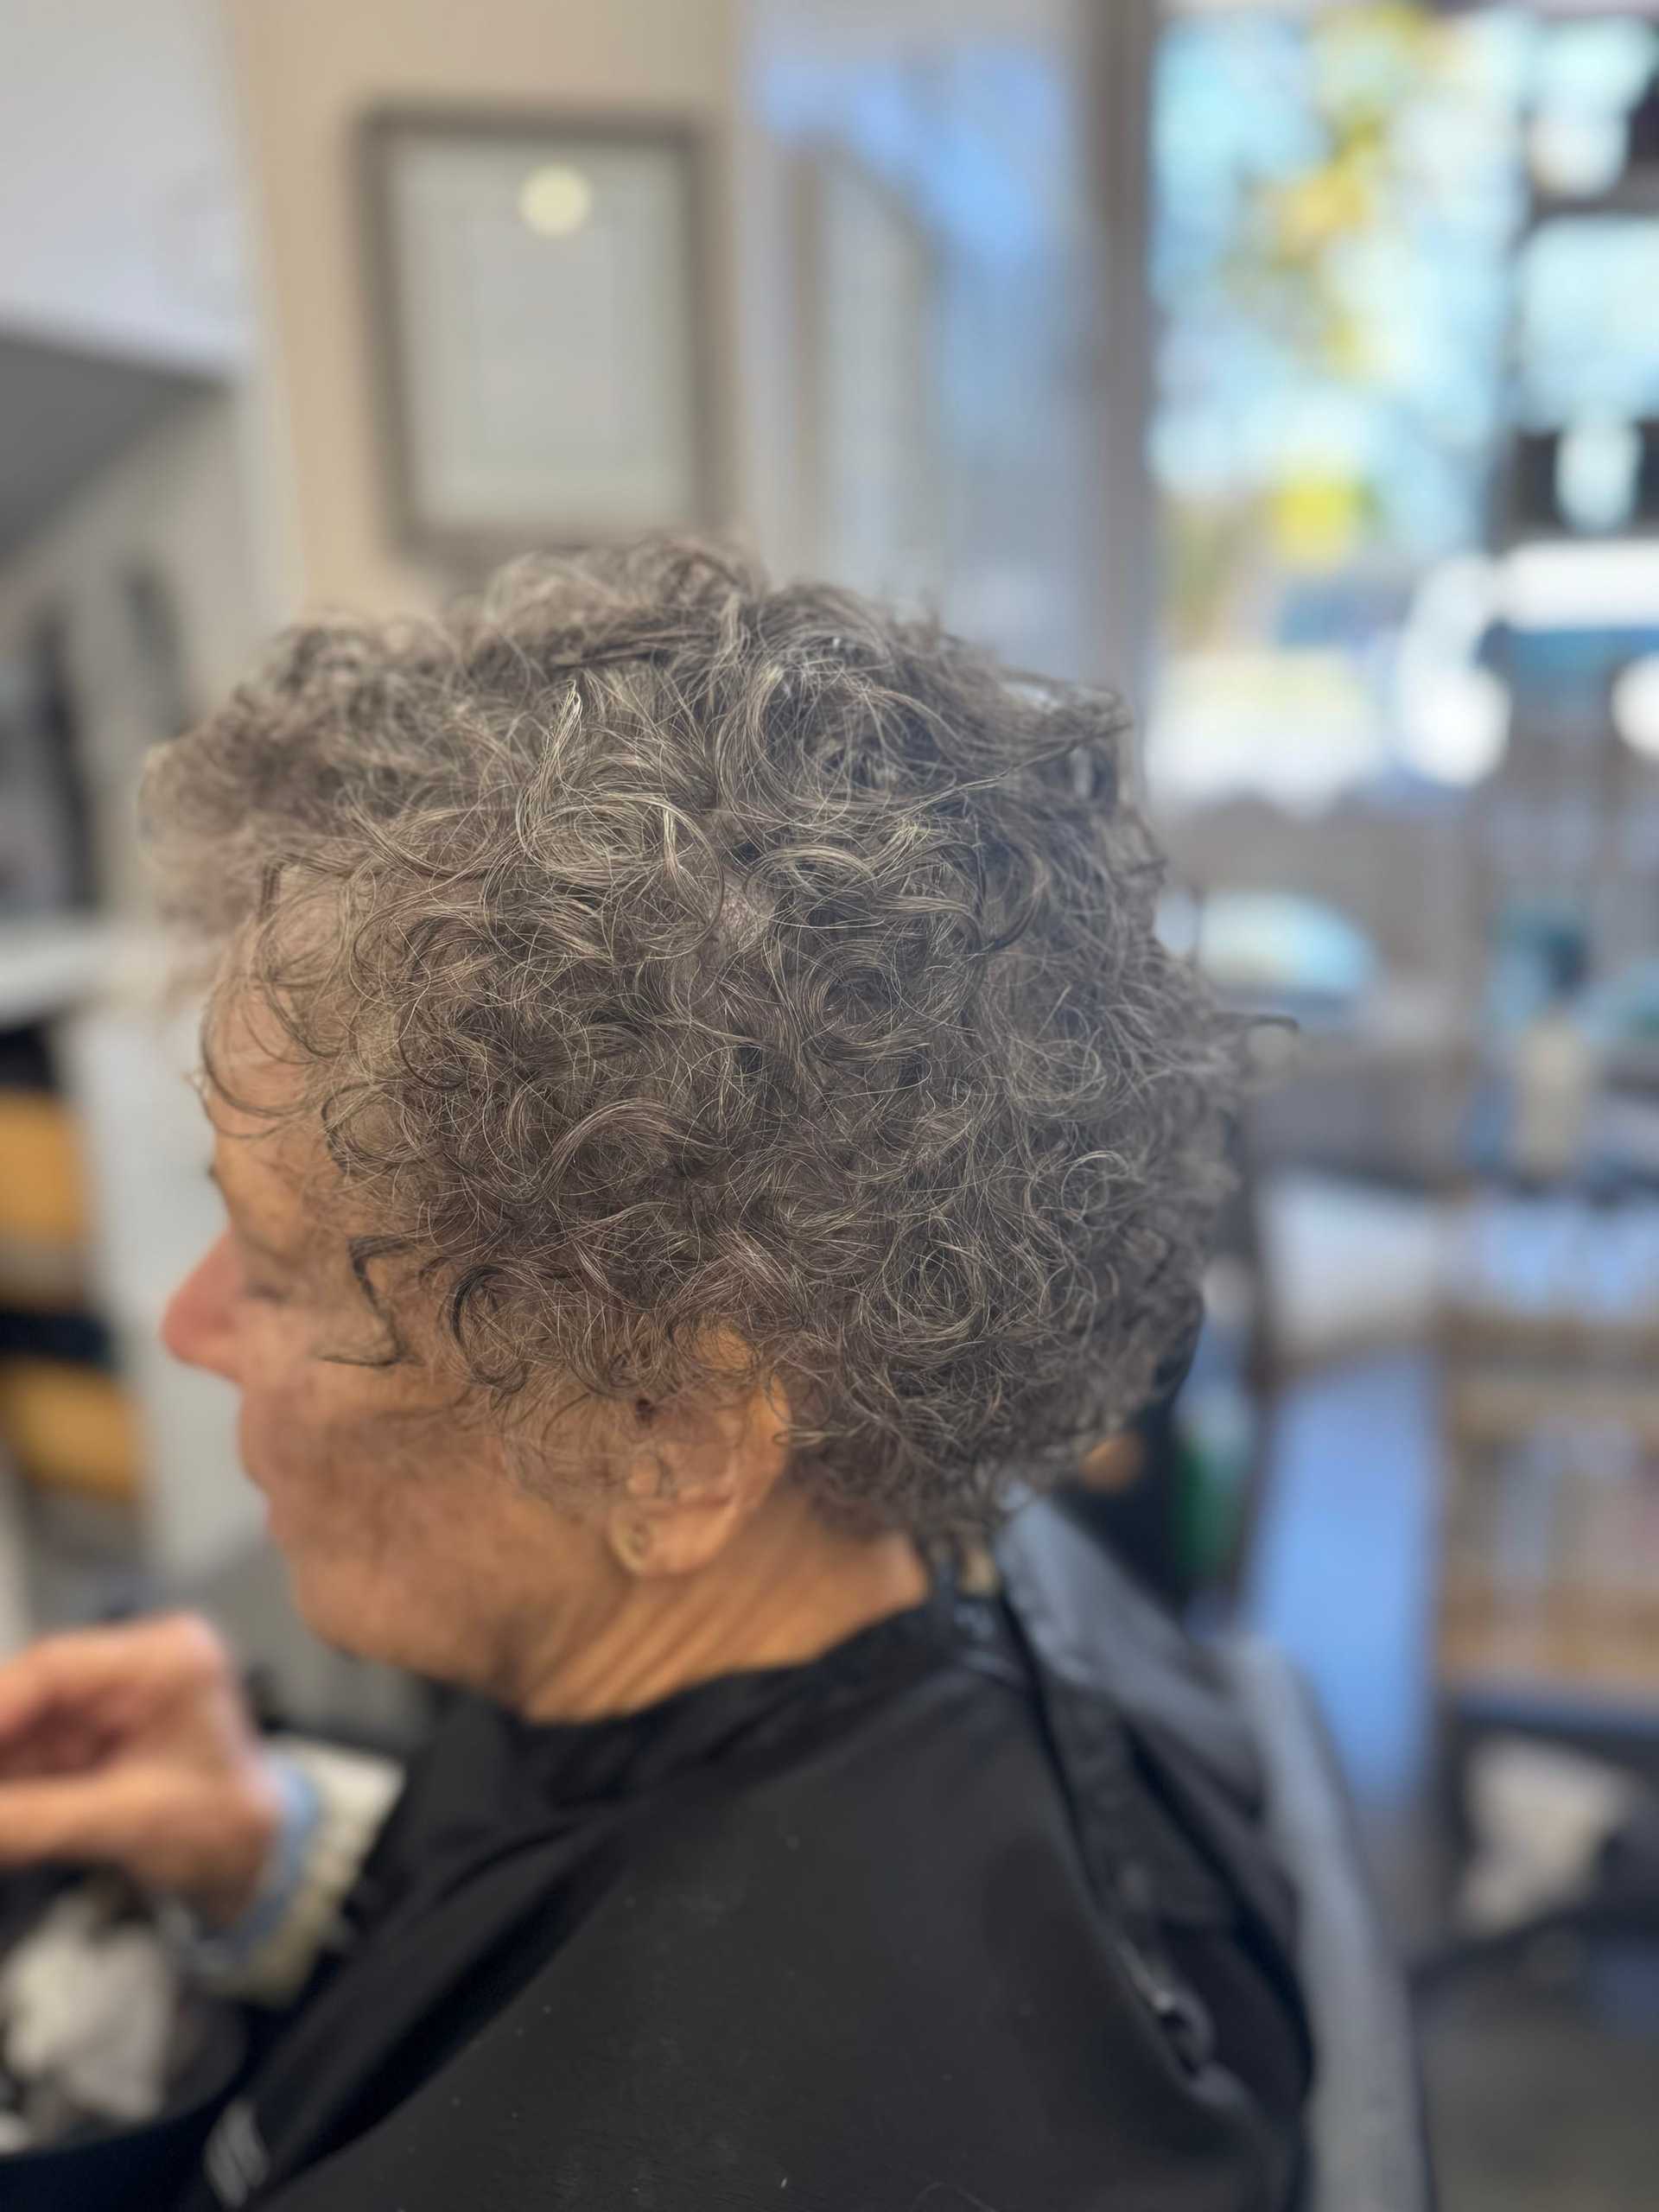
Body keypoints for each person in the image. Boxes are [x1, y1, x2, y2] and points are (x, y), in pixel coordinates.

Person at [0, 540, 1310, 2209]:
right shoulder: (982, 1581)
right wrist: (287, 1865)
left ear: (667, 1443)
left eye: (268, 1267)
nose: (190, 1327)